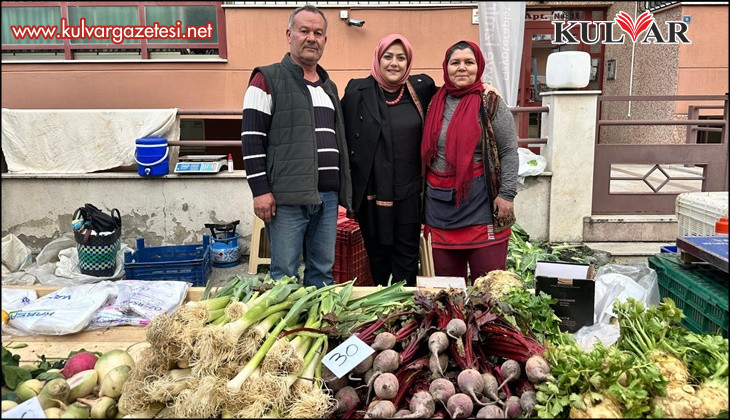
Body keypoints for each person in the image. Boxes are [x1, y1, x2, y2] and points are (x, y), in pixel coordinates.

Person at [241, 5, 352, 288]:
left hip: (326, 198)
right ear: (289, 34)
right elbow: (252, 139)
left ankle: (314, 329)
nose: (311, 38)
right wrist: (260, 191)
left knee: (322, 272)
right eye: (304, 31)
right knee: (285, 274)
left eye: (318, 33)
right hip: (286, 199)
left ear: (325, 40)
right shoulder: (266, 79)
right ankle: (286, 332)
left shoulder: (329, 87)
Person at [341, 34, 437, 287]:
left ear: (408, 62)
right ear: (378, 58)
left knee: (406, 258)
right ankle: (384, 312)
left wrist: (485, 88)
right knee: (378, 257)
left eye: (401, 57)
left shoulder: (422, 89)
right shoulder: (355, 92)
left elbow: (455, 96)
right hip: (371, 195)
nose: (394, 63)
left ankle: (404, 314)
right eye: (388, 56)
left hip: (409, 193)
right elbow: (340, 131)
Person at [420, 40, 519, 282]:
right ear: (446, 67)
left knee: (487, 289)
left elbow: (509, 150)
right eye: (455, 63)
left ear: (479, 66)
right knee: (446, 290)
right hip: (439, 208)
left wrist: (507, 194)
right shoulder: (433, 101)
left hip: (482, 207)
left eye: (469, 62)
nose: (462, 68)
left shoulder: (490, 102)